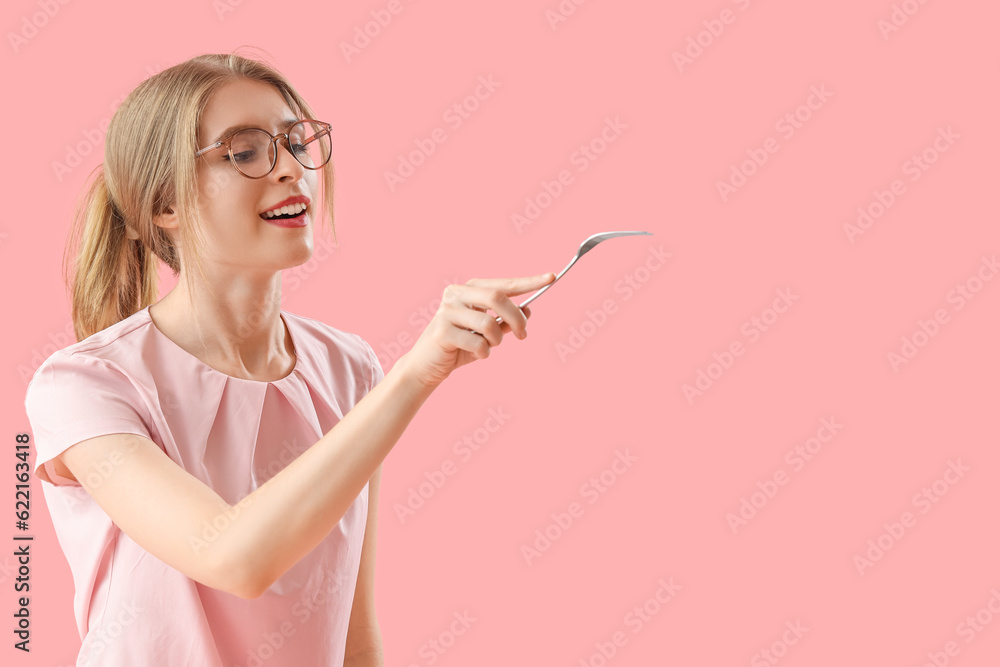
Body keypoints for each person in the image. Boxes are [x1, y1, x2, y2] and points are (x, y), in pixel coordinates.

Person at [23, 51, 555, 667]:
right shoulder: (86, 385)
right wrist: (419, 372)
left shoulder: (348, 368)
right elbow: (233, 558)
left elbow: (355, 637)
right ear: (164, 203)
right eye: (245, 152)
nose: (292, 171)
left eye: (296, 143)